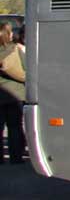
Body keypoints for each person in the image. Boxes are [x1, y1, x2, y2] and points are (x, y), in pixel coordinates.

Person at [0, 21, 26, 164]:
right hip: (14, 94)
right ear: (8, 34)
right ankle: (16, 157)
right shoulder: (14, 49)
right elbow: (25, 68)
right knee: (14, 126)